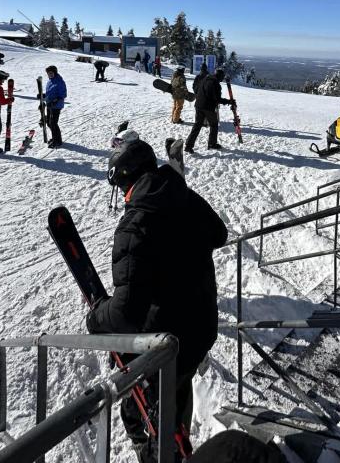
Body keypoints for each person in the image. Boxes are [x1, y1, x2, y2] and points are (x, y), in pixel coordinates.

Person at [88, 140, 227, 463]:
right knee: (177, 389)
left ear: (124, 179)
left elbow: (125, 313)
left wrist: (96, 318)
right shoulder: (183, 196)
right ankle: (176, 438)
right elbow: (218, 234)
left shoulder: (136, 223)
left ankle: (159, 454)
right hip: (200, 327)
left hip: (166, 340)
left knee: (139, 413)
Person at [185, 69, 233, 153]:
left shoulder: (206, 79)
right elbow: (217, 99)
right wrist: (228, 101)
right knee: (214, 125)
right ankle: (212, 143)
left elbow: (197, 88)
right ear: (219, 76)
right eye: (222, 77)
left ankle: (188, 146)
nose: (222, 79)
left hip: (199, 105)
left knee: (197, 125)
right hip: (207, 107)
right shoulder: (215, 84)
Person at [44, 65, 67, 148]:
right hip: (49, 104)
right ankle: (56, 138)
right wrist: (43, 96)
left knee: (53, 123)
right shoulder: (50, 81)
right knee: (49, 123)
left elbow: (63, 94)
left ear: (55, 72)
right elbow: (49, 93)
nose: (49, 75)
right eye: (48, 73)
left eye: (51, 73)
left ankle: (57, 141)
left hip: (56, 105)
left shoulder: (59, 81)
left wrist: (55, 101)